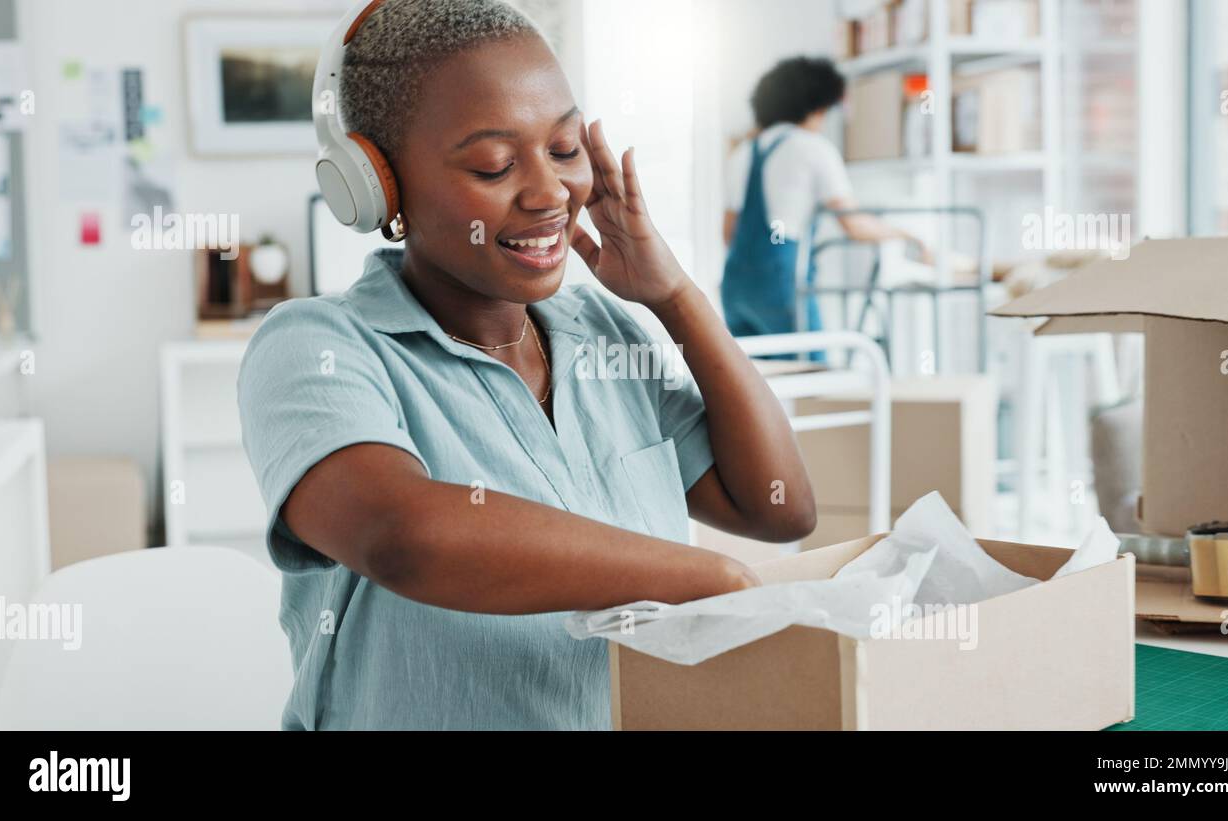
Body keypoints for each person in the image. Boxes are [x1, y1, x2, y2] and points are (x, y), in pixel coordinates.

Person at [237, 0, 816, 730]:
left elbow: (776, 505)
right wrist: (704, 576)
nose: (550, 194)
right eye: (494, 164)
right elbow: (403, 534)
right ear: (379, 185)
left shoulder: (599, 330)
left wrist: (675, 295)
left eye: (566, 148)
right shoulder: (318, 346)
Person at [722, 56, 929, 359]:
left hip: (735, 287)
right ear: (815, 108)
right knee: (813, 380)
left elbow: (729, 233)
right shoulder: (813, 149)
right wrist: (909, 236)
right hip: (781, 286)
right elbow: (854, 224)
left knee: (753, 384)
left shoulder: (743, 152)